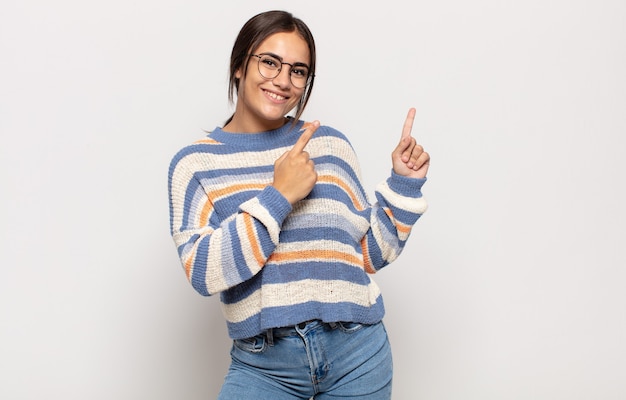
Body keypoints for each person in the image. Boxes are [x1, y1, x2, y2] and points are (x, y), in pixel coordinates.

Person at [167, 10, 430, 399]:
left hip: (357, 353)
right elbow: (205, 272)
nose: (283, 81)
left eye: (298, 70)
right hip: (263, 365)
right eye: (269, 62)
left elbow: (366, 255)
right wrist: (279, 196)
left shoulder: (329, 145)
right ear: (240, 65)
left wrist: (403, 186)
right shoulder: (194, 165)